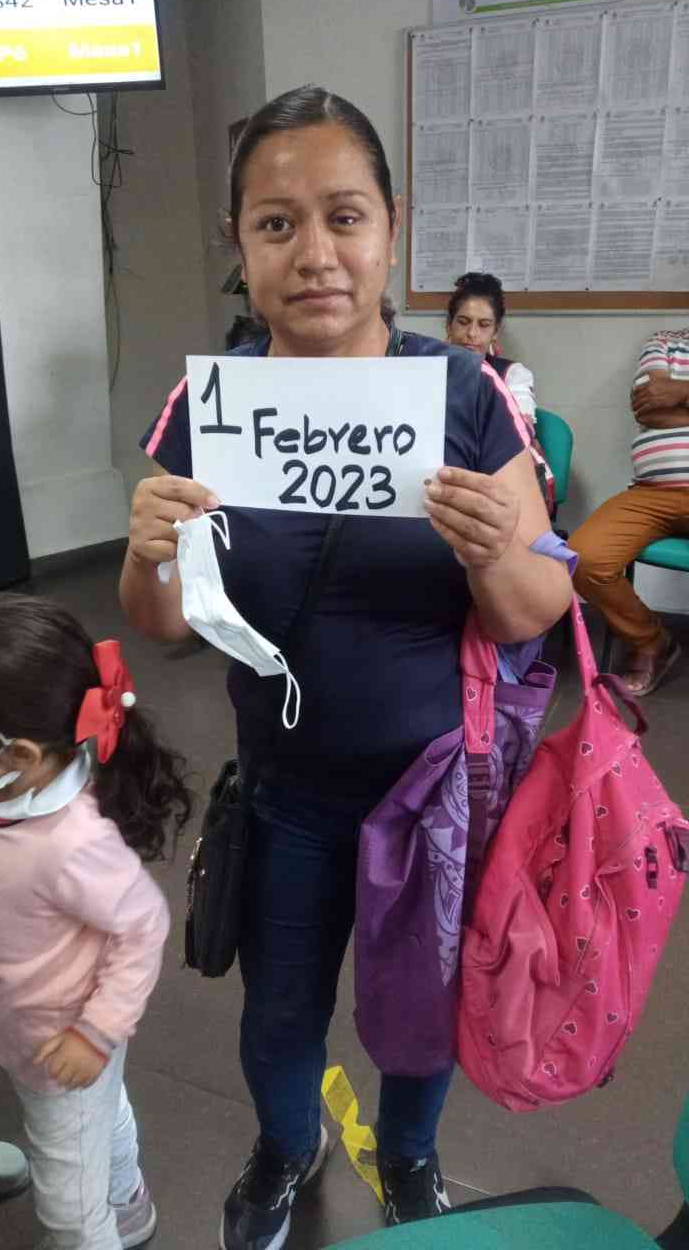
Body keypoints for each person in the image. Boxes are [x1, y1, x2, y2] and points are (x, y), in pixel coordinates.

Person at [120, 86, 573, 1250]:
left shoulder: (464, 395)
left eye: (345, 215)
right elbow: (163, 625)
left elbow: (541, 606)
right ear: (240, 241)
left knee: (419, 1013)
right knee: (279, 1011)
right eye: (277, 224)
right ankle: (285, 1146)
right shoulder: (212, 406)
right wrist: (147, 550)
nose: (315, 253)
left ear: (391, 226)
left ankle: (411, 1157)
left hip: (434, 792)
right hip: (286, 791)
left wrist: (492, 553)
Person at [0, 592, 192, 1250]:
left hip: (63, 1035)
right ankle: (126, 1203)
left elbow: (144, 926)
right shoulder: (3, 792)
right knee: (101, 1114)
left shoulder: (71, 844)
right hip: (24, 1020)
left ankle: (102, 1222)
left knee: (70, 1212)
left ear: (18, 757)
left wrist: (95, 1036)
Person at [570, 328, 689, 696]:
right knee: (583, 557)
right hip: (652, 494)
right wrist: (666, 401)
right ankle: (652, 640)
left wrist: (680, 393)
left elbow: (665, 406)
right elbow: (649, 409)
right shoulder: (664, 341)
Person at [446, 271, 555, 511]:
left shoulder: (512, 375)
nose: (472, 334)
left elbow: (517, 434)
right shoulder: (429, 369)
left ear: (495, 331)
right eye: (463, 322)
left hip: (503, 476)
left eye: (484, 325)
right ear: (449, 325)